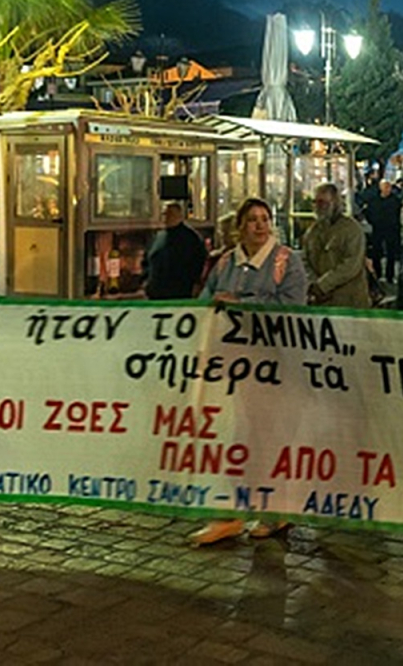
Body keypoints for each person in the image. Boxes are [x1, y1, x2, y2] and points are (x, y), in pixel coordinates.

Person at [193, 198, 308, 544]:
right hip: (231, 364)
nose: (260, 225)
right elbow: (205, 301)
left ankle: (274, 510)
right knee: (234, 436)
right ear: (240, 226)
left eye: (265, 219)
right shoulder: (227, 262)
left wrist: (241, 305)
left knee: (267, 437)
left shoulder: (288, 262)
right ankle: (230, 511)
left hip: (273, 365)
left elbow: (291, 308)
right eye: (253, 220)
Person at [302, 183, 370, 308]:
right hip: (321, 302)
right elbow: (305, 260)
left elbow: (351, 265)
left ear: (334, 203)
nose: (317, 206)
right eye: (315, 202)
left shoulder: (352, 229)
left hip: (348, 301)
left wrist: (324, 285)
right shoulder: (313, 231)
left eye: (322, 202)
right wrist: (313, 284)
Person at [143, 201, 208, 300]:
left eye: (170, 214)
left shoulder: (191, 238)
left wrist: (196, 284)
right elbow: (147, 260)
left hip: (180, 293)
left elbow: (199, 262)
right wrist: (145, 280)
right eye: (164, 214)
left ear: (180, 215)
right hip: (156, 293)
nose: (166, 217)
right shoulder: (158, 236)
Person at [363, 180, 402, 283]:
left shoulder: (396, 200)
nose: (387, 189)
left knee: (391, 253)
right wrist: (373, 221)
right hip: (378, 228)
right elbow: (368, 212)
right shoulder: (374, 201)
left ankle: (390, 275)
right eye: (385, 187)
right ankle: (378, 274)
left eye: (388, 187)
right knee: (376, 252)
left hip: (391, 229)